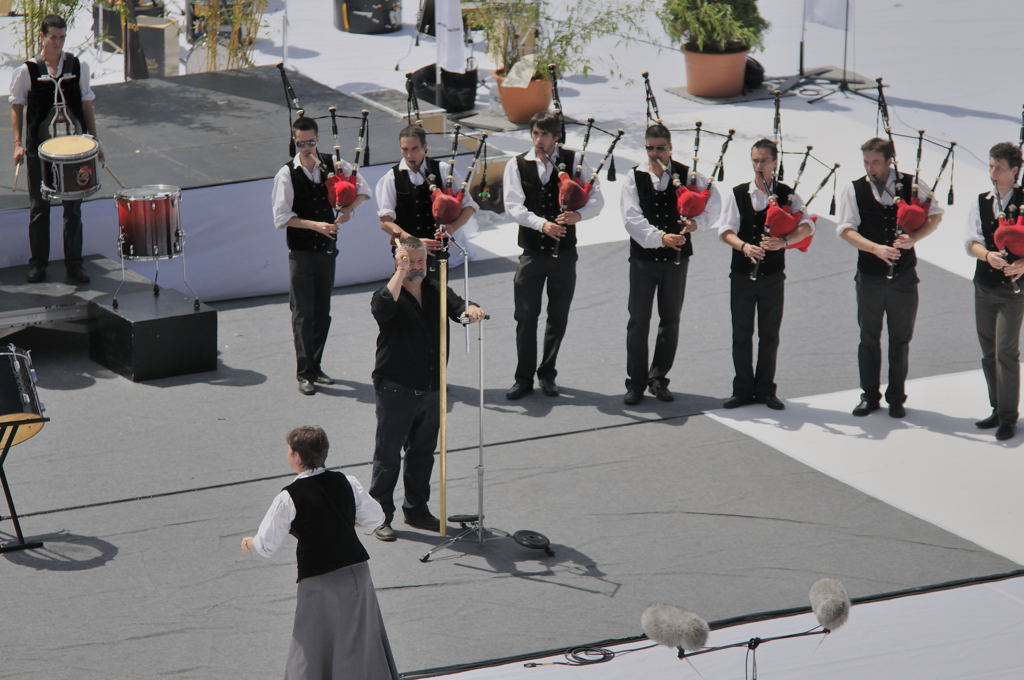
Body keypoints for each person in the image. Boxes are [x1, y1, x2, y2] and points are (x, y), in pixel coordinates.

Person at [241, 426, 398, 680]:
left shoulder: (288, 497)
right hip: (357, 572)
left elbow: (267, 544)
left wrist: (251, 543)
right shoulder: (347, 482)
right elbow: (376, 518)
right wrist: (350, 520)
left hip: (319, 578)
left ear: (297, 457)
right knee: (360, 635)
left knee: (312, 639)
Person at [368, 236, 485, 541]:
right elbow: (381, 309)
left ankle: (417, 510)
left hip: (433, 388)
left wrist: (470, 310)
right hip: (396, 389)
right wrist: (400, 272)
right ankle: (379, 516)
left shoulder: (436, 288)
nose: (416, 267)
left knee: (422, 453)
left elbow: (458, 307)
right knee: (388, 455)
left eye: (420, 261)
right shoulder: (389, 293)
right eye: (408, 261)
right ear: (397, 261)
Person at [836, 137, 942, 418]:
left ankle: (897, 397)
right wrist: (874, 248)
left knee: (900, 338)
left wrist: (914, 238)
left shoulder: (912, 183)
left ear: (889, 160)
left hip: (904, 277)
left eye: (876, 162)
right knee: (868, 337)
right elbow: (846, 229)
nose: (870, 168)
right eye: (866, 162)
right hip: (870, 276)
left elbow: (936, 214)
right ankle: (869, 395)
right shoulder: (854, 189)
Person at [503, 111, 604, 400]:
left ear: (556, 136)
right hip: (532, 253)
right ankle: (523, 378)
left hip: (565, 255)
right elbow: (513, 206)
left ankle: (548, 374)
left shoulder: (576, 162)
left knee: (557, 316)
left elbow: (597, 199)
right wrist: (542, 224)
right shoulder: (518, 164)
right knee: (525, 316)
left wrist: (578, 216)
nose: (537, 140)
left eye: (543, 135)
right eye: (534, 134)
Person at [620, 123, 719, 405]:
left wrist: (696, 223)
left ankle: (659, 379)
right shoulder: (634, 177)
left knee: (670, 319)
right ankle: (636, 382)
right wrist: (661, 237)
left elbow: (713, 204)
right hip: (643, 259)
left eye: (660, 148)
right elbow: (631, 218)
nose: (654, 153)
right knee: (638, 321)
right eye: (649, 148)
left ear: (670, 147)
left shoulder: (689, 174)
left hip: (677, 261)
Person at [272, 115, 370, 395]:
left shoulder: (332, 165)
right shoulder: (286, 174)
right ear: (294, 141)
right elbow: (282, 217)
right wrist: (316, 225)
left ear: (318, 140)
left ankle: (316, 366)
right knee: (303, 313)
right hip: (301, 251)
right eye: (301, 143)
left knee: (322, 312)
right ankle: (304, 372)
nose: (307, 148)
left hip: (327, 251)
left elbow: (363, 189)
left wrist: (349, 210)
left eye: (311, 142)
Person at [716, 138, 814, 410]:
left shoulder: (788, 194)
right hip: (742, 275)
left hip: (772, 276)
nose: (758, 166)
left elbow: (807, 227)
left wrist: (784, 242)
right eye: (755, 161)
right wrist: (744, 246)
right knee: (741, 333)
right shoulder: (738, 193)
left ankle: (766, 389)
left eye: (763, 161)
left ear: (774, 163)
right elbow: (725, 231)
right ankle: (743, 389)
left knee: (769, 334)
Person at [10, 14, 99, 285]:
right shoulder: (27, 70)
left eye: (61, 38)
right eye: (53, 38)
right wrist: (17, 143)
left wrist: (96, 142)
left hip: (73, 150)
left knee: (73, 208)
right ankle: (38, 264)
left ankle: (75, 265)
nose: (58, 43)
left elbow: (87, 106)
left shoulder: (77, 65)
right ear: (43, 37)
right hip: (40, 149)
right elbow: (16, 106)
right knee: (40, 207)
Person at [965, 142, 1024, 441]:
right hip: (984, 284)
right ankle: (997, 406)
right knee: (988, 351)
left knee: (1006, 351)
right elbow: (971, 240)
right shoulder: (982, 201)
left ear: (1015, 170)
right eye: (990, 165)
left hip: (1013, 291)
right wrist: (986, 255)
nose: (993, 172)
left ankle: (1009, 417)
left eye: (999, 167)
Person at [375, 125, 477, 277]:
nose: (409, 155)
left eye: (414, 148)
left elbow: (469, 206)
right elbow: (385, 222)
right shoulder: (391, 177)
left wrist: (453, 227)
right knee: (408, 298)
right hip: (406, 252)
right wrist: (415, 242)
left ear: (425, 147)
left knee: (437, 296)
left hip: (437, 251)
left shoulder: (442, 170)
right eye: (405, 149)